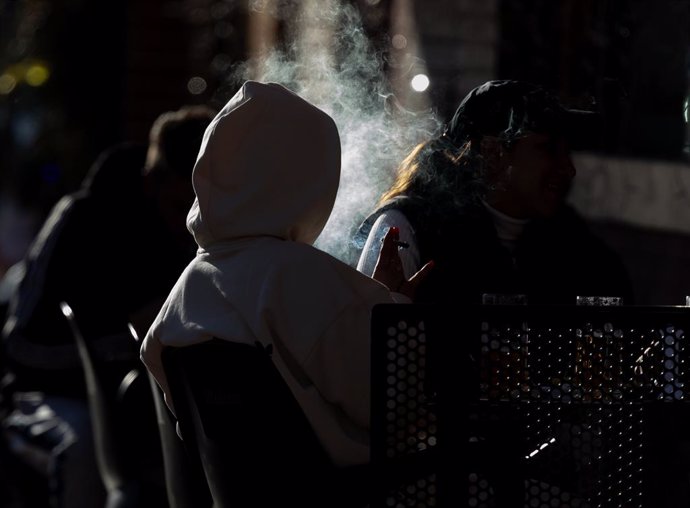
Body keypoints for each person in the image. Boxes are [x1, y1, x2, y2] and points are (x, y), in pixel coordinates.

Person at [141, 81, 431, 505]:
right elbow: (393, 404)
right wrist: (395, 308)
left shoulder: (189, 287)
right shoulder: (298, 275)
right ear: (303, 177)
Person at [1, 104, 216, 508]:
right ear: (152, 182)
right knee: (82, 450)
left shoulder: (202, 238)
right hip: (50, 395)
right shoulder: (81, 219)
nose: (188, 225)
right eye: (178, 207)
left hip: (147, 405)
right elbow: (19, 345)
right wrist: (130, 347)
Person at [355, 79, 634, 306]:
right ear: (493, 153)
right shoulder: (406, 230)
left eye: (567, 151)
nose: (568, 169)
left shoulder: (574, 246)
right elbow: (360, 351)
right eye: (548, 149)